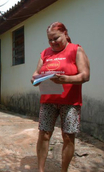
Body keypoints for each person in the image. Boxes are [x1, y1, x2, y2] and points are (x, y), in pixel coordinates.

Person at [31, 22, 90, 172]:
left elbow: (85, 75)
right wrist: (35, 80)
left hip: (70, 101)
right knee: (44, 134)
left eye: (56, 38)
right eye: (49, 40)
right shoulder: (45, 53)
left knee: (68, 137)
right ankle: (41, 170)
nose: (52, 43)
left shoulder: (76, 50)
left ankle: (64, 170)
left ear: (65, 34)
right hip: (48, 100)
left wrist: (66, 79)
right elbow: (35, 74)